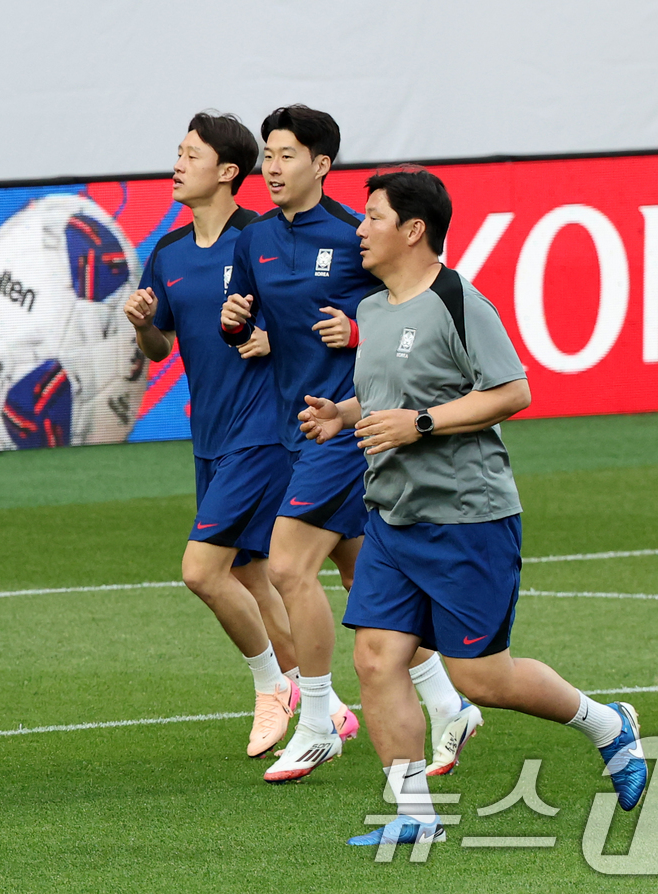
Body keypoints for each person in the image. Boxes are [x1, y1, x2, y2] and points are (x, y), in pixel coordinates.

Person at [297, 168, 646, 846]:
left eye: (373, 217)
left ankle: (609, 725)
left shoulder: (458, 301)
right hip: (391, 516)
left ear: (413, 230)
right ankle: (414, 816)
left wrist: (421, 424)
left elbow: (513, 391)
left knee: (482, 679)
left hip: (467, 518)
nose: (360, 230)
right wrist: (344, 414)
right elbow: (391, 396)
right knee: (375, 658)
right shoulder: (371, 310)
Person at [219, 106, 476, 784]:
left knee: (286, 567)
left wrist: (359, 335)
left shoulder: (355, 235)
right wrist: (235, 322)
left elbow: (413, 304)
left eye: (286, 155)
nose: (272, 167)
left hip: (351, 429)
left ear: (321, 164)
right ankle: (449, 704)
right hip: (297, 426)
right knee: (368, 583)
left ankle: (318, 721)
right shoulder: (254, 239)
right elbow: (245, 327)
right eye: (268, 154)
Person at [124, 112, 310, 758]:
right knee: (253, 575)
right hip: (210, 435)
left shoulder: (262, 241)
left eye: (191, 155)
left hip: (264, 431)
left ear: (228, 172)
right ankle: (325, 708)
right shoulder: (169, 252)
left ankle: (273, 688)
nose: (177, 165)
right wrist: (143, 325)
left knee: (202, 571)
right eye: (178, 152)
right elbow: (159, 349)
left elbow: (310, 322)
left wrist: (273, 338)